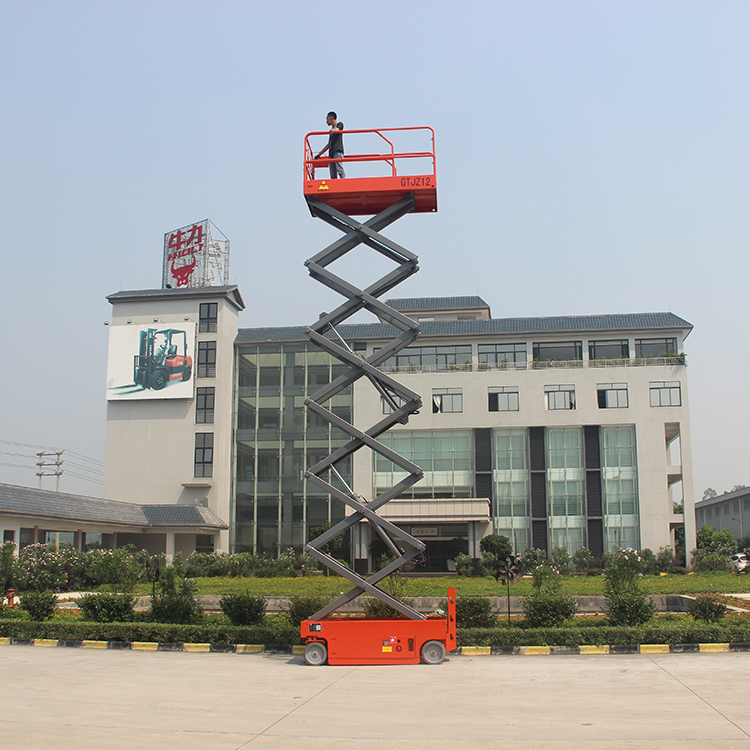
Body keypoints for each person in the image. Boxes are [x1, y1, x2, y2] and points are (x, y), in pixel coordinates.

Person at [315, 111, 345, 179]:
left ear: (331, 117)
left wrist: (334, 130)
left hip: (337, 150)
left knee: (339, 168)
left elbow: (338, 129)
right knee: (332, 172)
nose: (326, 121)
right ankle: (334, 183)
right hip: (331, 152)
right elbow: (329, 144)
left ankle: (344, 181)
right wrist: (319, 154)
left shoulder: (339, 124)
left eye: (327, 119)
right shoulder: (331, 130)